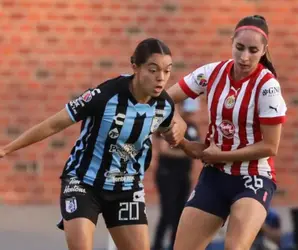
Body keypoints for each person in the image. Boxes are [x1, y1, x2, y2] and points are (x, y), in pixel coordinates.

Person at [0, 38, 185, 250]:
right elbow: (53, 124)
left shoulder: (163, 104)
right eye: (153, 70)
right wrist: (7, 148)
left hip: (126, 187)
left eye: (167, 71)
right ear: (135, 67)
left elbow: (174, 128)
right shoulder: (104, 96)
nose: (161, 78)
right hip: (84, 182)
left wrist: (186, 135)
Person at [162, 15, 288, 250]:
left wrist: (219, 155)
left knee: (234, 247)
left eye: (253, 50)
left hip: (253, 178)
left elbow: (271, 147)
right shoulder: (212, 72)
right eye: (239, 47)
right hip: (215, 176)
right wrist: (181, 137)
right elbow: (164, 101)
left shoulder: (268, 86)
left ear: (263, 50)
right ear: (231, 42)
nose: (244, 57)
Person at [152, 99, 200, 250]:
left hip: (183, 175)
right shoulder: (169, 124)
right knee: (168, 212)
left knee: (180, 213)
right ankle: (158, 246)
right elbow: (164, 150)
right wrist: (188, 152)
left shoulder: (192, 127)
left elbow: (198, 147)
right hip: (167, 174)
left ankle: (174, 246)